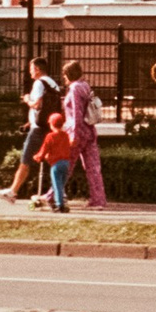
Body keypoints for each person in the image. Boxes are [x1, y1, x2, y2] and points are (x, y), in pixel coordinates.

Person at [0, 57, 64, 203]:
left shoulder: (39, 83)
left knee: (26, 159)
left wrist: (26, 99)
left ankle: (12, 192)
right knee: (52, 161)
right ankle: (58, 193)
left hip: (38, 129)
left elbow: (37, 105)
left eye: (31, 69)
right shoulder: (53, 84)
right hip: (49, 127)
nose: (30, 72)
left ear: (37, 69)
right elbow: (49, 107)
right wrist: (29, 121)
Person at [62, 60, 108, 210]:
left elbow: (77, 112)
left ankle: (52, 195)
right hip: (89, 131)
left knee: (66, 164)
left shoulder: (74, 88)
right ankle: (98, 200)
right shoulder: (85, 86)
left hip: (77, 132)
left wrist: (74, 134)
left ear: (68, 74)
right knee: (93, 167)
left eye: (64, 75)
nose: (64, 78)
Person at [33, 112, 77, 212]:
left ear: (51, 124)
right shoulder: (65, 135)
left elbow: (44, 149)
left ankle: (59, 204)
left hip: (56, 165)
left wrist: (38, 157)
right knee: (60, 185)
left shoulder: (50, 136)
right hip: (66, 163)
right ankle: (56, 201)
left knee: (57, 185)